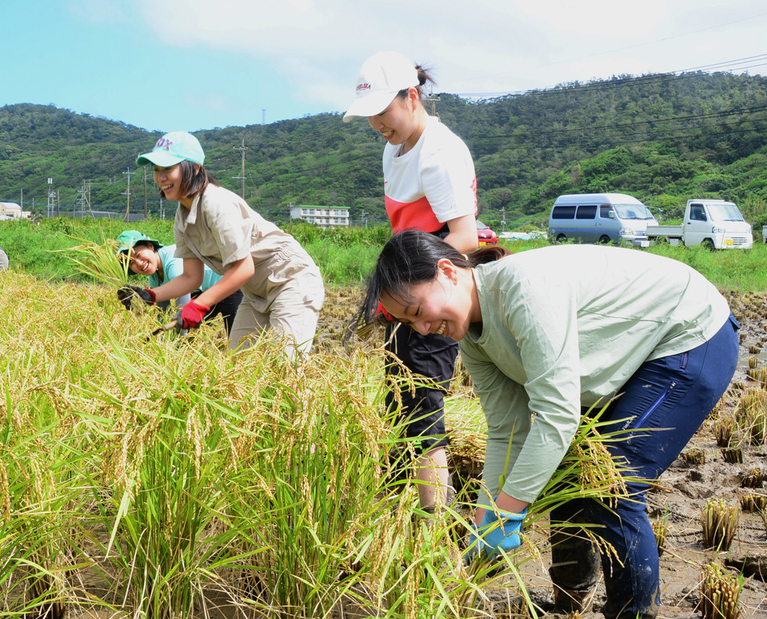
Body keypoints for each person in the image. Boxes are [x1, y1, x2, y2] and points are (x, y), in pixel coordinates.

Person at [361, 230, 738, 619]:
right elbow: (508, 431)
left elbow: (557, 416)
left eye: (419, 311)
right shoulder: (473, 338)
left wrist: (506, 513)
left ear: (447, 271)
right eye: (410, 322)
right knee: (572, 472)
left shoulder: (522, 289)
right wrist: (484, 516)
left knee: (609, 486)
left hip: (690, 334)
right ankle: (578, 600)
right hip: (637, 355)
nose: (422, 330)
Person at [344, 51, 479, 513]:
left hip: (435, 296)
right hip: (407, 295)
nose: (378, 124)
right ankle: (398, 511)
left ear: (412, 96)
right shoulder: (394, 149)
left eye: (384, 111)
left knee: (422, 408)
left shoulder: (438, 152)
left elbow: (464, 235)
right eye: (370, 117)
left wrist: (415, 301)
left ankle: (432, 521)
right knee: (397, 401)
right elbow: (404, 233)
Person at [128, 131, 323, 359]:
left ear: (195, 169)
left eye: (168, 168)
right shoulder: (183, 218)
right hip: (255, 291)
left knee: (286, 365)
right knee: (238, 365)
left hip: (290, 278)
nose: (160, 177)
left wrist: (199, 305)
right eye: (156, 170)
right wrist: (149, 295)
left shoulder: (215, 203)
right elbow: (192, 278)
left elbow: (244, 267)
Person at [115, 230, 243, 335]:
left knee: (235, 336)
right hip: (204, 292)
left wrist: (178, 347)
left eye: (137, 255)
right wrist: (161, 337)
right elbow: (163, 312)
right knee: (195, 334)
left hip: (228, 285)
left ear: (150, 246)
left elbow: (183, 306)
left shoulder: (172, 260)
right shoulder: (154, 277)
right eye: (131, 263)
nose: (139, 263)